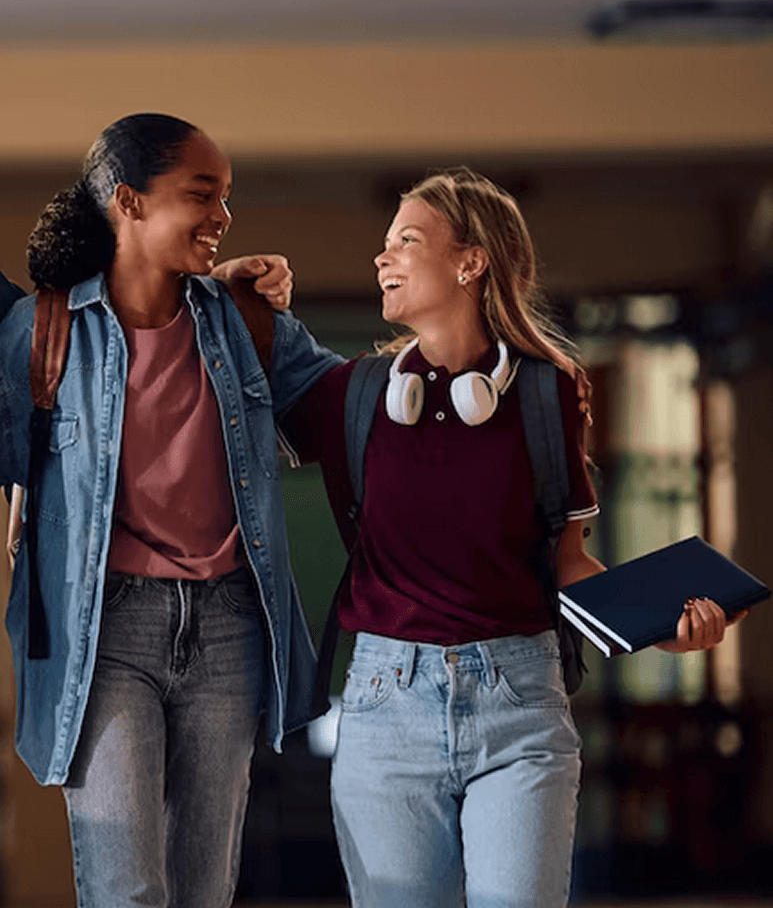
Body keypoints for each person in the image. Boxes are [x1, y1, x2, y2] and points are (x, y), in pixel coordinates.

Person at [268, 167, 739, 908]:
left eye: (406, 240)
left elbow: (565, 564)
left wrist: (662, 630)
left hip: (519, 705)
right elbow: (243, 370)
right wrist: (241, 287)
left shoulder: (550, 393)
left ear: (471, 262)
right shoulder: (354, 395)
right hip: (385, 709)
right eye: (385, 242)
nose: (382, 256)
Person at [0, 112, 341, 908]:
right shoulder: (41, 332)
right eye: (202, 194)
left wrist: (469, 369)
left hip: (229, 626)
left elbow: (349, 408)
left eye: (226, 196)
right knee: (127, 888)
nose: (223, 215)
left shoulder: (245, 321)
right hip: (104, 633)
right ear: (129, 201)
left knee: (201, 889)